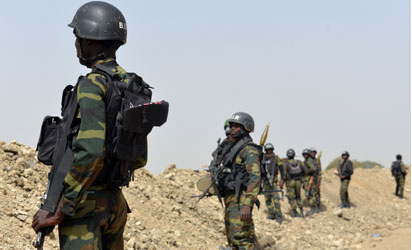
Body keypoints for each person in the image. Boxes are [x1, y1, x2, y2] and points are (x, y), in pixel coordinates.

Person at [32, 2, 146, 249]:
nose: (76, 45)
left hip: (85, 206)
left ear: (92, 41)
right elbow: (138, 158)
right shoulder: (129, 85)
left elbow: (92, 151)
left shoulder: (93, 84)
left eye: (78, 38)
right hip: (115, 203)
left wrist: (63, 207)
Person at [220, 112, 261, 250]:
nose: (232, 129)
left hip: (242, 199)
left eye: (237, 126)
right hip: (232, 199)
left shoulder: (249, 150)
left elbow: (255, 177)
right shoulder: (234, 149)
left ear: (246, 128)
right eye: (231, 126)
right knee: (232, 237)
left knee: (242, 238)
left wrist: (247, 204)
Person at [261, 143, 284, 223]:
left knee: (276, 199)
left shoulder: (276, 158)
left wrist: (282, 180)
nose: (269, 152)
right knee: (267, 199)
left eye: (271, 150)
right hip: (265, 181)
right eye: (268, 150)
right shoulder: (262, 159)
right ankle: (272, 214)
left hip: (273, 182)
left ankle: (279, 216)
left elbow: (281, 168)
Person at [280, 149, 305, 218]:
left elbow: (284, 174)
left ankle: (295, 213)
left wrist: (283, 181)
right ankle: (302, 212)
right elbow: (304, 171)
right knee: (298, 196)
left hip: (290, 182)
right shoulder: (299, 162)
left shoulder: (286, 164)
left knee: (291, 197)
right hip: (298, 182)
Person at [302, 149, 319, 216]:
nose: (305, 155)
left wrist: (306, 171)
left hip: (310, 179)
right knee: (309, 194)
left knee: (309, 194)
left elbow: (314, 169)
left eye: (306, 154)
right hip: (307, 179)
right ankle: (314, 208)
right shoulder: (306, 161)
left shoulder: (309, 161)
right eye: (304, 154)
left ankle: (313, 208)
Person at [310, 148, 322, 212]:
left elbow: (319, 172)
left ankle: (318, 207)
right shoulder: (308, 160)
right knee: (310, 193)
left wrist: (319, 181)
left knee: (317, 193)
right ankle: (312, 207)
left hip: (315, 179)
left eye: (314, 153)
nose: (313, 154)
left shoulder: (317, 161)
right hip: (309, 179)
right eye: (312, 152)